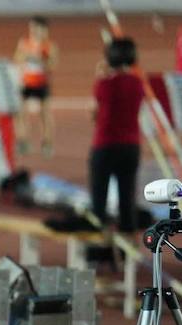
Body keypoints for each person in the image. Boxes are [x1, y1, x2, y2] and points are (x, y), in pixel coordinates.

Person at [89, 38, 144, 240]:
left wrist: (101, 77)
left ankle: (99, 246)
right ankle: (129, 252)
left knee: (99, 202)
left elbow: (94, 115)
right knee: (127, 201)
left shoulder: (104, 84)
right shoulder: (137, 83)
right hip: (131, 146)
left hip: (105, 145)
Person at [14, 17, 58, 157]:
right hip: (25, 83)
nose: (34, 31)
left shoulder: (50, 46)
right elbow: (16, 59)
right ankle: (22, 141)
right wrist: (25, 57)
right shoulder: (24, 43)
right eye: (32, 28)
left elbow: (53, 64)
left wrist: (41, 59)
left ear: (44, 30)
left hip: (41, 83)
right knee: (20, 113)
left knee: (45, 114)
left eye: (37, 28)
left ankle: (47, 143)